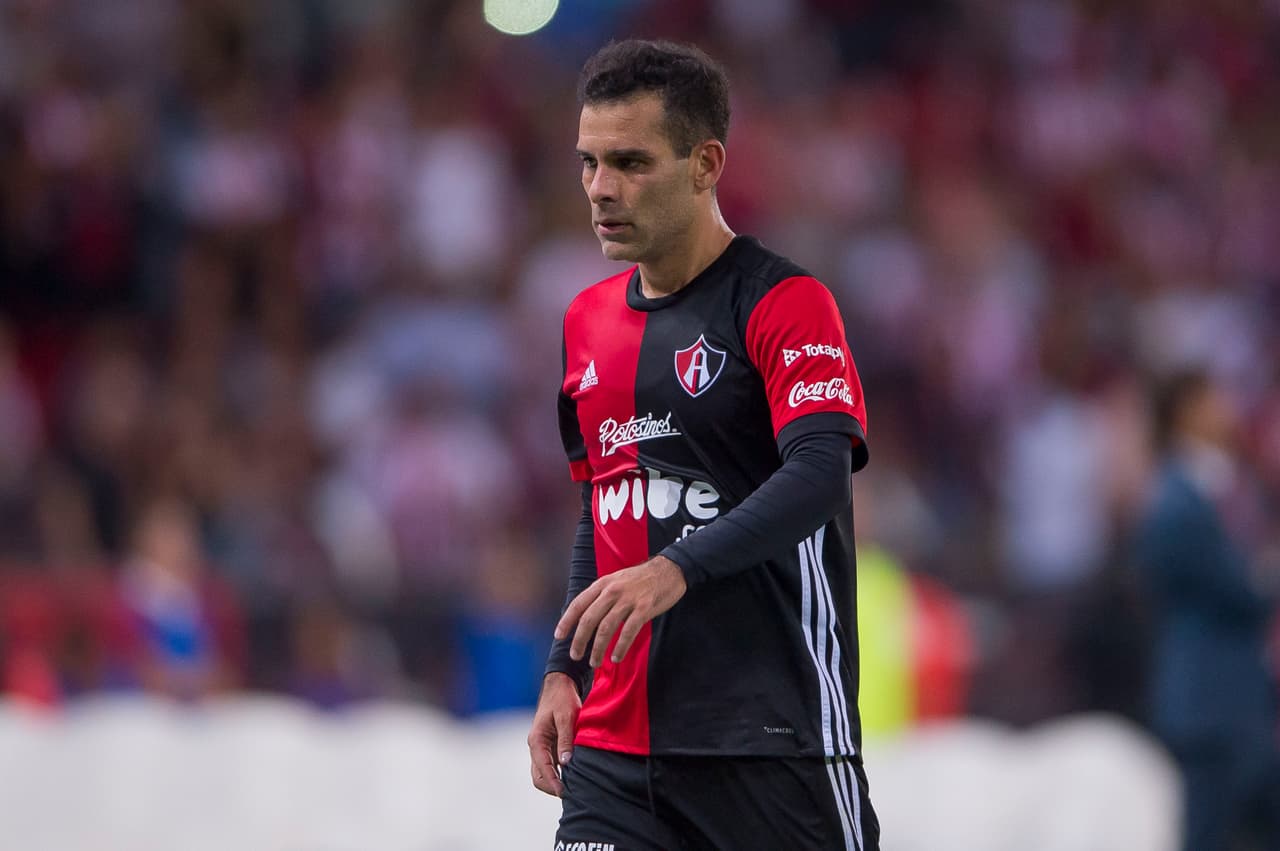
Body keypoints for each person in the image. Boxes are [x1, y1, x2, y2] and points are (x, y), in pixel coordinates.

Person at [526, 40, 880, 850]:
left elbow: (821, 471)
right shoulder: (585, 321)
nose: (600, 189)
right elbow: (606, 501)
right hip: (617, 755)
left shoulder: (785, 302)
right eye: (587, 163)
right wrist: (565, 666)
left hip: (771, 739)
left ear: (704, 162)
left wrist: (675, 567)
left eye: (630, 162)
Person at [1134, 370, 1280, 851]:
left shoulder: (1230, 487)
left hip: (1243, 699)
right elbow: (1237, 586)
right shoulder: (1175, 499)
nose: (1227, 406)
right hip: (1208, 702)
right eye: (1214, 397)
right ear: (1185, 411)